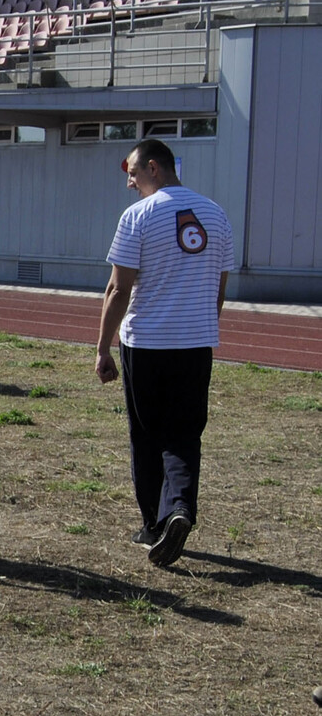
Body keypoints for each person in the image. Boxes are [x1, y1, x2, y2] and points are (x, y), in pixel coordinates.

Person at [96, 138, 233, 568]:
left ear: (154, 167)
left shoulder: (138, 215)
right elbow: (219, 291)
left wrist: (102, 346)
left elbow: (119, 288)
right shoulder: (217, 215)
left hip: (149, 342)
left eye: (133, 174)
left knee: (147, 433)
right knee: (185, 433)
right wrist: (202, 326)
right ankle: (180, 508)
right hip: (195, 343)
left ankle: (154, 524)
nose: (130, 183)